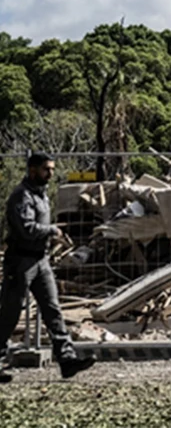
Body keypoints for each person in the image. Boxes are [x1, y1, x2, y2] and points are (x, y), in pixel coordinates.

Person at [0, 153, 95, 381]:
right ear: (32, 170)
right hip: (20, 262)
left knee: (53, 309)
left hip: (40, 261)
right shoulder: (21, 196)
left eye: (52, 169)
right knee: (10, 314)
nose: (50, 174)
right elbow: (26, 228)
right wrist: (52, 231)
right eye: (46, 170)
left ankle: (67, 359)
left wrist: (52, 236)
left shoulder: (41, 196)